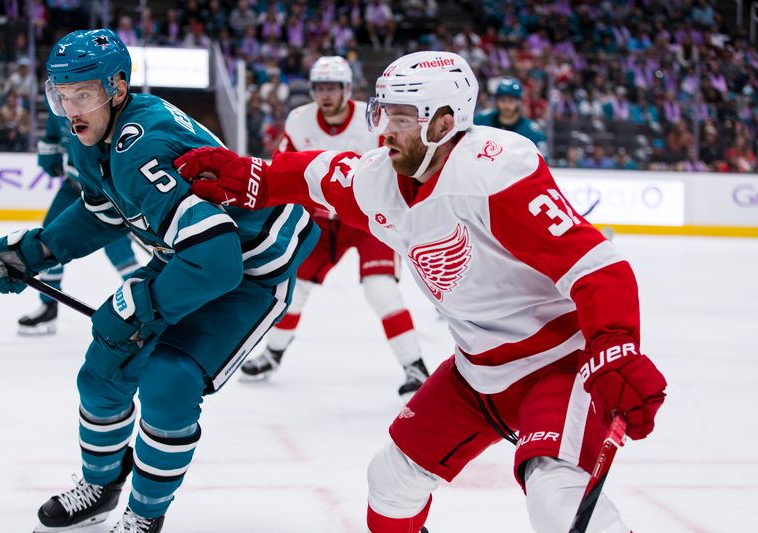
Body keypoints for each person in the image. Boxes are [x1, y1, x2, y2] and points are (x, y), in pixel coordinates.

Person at [174, 51, 668, 533]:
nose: (384, 129)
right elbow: (316, 175)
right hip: (476, 371)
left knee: (555, 497)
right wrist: (250, 177)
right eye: (382, 112)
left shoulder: (494, 174)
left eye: (402, 117)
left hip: (557, 366)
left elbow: (596, 266)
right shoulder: (380, 179)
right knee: (389, 483)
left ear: (444, 123)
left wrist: (614, 349)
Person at [0, 29, 317, 533]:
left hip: (252, 266)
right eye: (61, 96)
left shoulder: (143, 144)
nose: (71, 109)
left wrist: (144, 306)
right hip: (192, 254)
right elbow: (105, 214)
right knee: (104, 366)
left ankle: (145, 515)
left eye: (82, 95)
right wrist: (35, 253)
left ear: (117, 86)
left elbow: (218, 263)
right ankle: (102, 486)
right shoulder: (93, 132)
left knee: (168, 381)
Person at [241, 55, 430, 396]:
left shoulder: (370, 118)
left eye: (332, 87)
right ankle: (273, 353)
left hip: (368, 215)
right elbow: (286, 168)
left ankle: (414, 365)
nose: (325, 95)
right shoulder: (299, 120)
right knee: (294, 291)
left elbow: (394, 163)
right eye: (319, 87)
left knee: (381, 288)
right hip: (321, 220)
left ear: (346, 89)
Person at [18, 103, 140, 335]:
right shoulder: (57, 110)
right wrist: (49, 158)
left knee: (119, 250)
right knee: (48, 239)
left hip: (105, 191)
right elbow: (52, 137)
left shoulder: (101, 107)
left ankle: (148, 306)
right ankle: (48, 306)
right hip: (73, 187)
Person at [475, 76, 549, 158]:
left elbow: (543, 162)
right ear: (497, 101)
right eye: (503, 100)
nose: (507, 105)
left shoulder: (533, 132)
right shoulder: (480, 121)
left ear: (519, 102)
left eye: (511, 101)